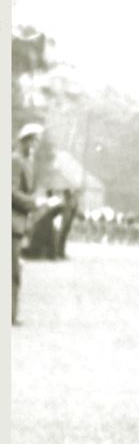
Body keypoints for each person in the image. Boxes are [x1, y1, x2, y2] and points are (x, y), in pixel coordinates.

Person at [11, 123, 57, 325]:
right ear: (26, 141)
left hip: (18, 225)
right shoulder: (15, 160)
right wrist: (34, 202)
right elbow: (10, 192)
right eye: (34, 141)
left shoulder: (25, 162)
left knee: (14, 272)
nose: (36, 145)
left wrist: (39, 202)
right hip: (11, 224)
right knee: (12, 272)